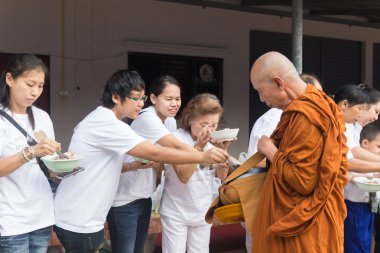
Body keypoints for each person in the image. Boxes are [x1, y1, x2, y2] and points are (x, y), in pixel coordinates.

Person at [53, 69, 228, 253]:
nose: (140, 104)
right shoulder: (107, 123)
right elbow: (156, 153)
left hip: (89, 216)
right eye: (135, 98)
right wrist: (201, 155)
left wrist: (136, 166)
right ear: (115, 97)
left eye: (142, 98)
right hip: (79, 217)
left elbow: (109, 165)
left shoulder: (109, 121)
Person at [249, 51, 348, 253]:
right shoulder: (321, 104)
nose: (260, 98)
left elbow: (303, 181)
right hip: (311, 224)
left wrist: (270, 149)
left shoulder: (306, 116)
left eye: (260, 90)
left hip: (300, 231)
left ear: (279, 83)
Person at [108, 75, 195, 253]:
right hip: (124, 199)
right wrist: (205, 153)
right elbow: (175, 147)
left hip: (144, 195)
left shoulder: (169, 121)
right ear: (154, 99)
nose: (174, 104)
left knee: (139, 249)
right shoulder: (147, 117)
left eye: (177, 99)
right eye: (168, 99)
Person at [244, 73, 323, 252]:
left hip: (300, 207)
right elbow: (258, 161)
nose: (321, 101)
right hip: (275, 202)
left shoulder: (309, 117)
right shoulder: (276, 117)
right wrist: (269, 150)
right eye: (316, 94)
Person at [0, 54, 61, 252]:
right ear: (10, 79)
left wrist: (62, 165)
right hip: (10, 217)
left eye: (40, 86)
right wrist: (31, 152)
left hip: (41, 213)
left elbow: (48, 165)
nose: (35, 92)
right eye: (30, 84)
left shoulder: (42, 117)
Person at [159, 93, 230, 253]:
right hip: (175, 211)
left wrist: (223, 151)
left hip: (202, 210)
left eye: (214, 125)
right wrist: (198, 147)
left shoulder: (213, 143)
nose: (209, 130)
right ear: (190, 119)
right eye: (204, 124)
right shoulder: (176, 139)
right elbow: (184, 176)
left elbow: (222, 177)